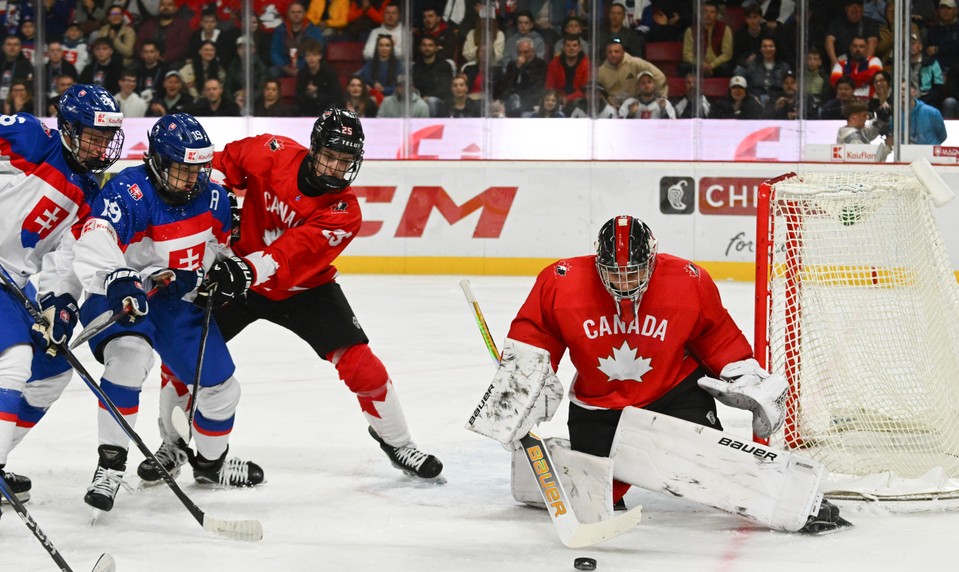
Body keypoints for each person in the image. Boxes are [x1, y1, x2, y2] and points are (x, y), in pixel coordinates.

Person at [466, 214, 847, 534]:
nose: (624, 282)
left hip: (672, 393)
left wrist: (743, 377)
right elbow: (535, 338)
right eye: (614, 273)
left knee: (711, 463)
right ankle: (563, 468)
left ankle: (799, 501)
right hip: (599, 405)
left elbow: (716, 335)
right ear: (598, 262)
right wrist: (515, 398)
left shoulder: (687, 279)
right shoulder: (560, 281)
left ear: (652, 260)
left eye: (633, 272)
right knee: (596, 497)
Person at [141, 108, 443, 484]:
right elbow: (217, 165)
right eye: (329, 156)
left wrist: (246, 269)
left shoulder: (344, 212)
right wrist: (219, 197)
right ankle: (172, 446)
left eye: (345, 160)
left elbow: (289, 254)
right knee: (181, 359)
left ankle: (399, 443)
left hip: (303, 288)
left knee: (362, 365)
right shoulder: (270, 152)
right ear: (313, 149)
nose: (335, 167)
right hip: (239, 279)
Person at [73, 113, 264, 512]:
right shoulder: (128, 191)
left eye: (198, 169)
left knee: (222, 390)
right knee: (129, 357)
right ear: (158, 162)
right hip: (120, 295)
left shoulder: (212, 196)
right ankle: (110, 466)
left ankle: (211, 465)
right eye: (181, 170)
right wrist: (122, 277)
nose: (191, 180)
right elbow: (95, 235)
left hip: (178, 303)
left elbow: (218, 252)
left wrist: (208, 275)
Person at [0, 84, 124, 505]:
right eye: (93, 135)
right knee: (12, 361)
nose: (102, 145)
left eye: (107, 138)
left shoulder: (89, 190)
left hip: (13, 280)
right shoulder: (31, 138)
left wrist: (59, 303)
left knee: (50, 371)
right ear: (69, 130)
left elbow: (65, 255)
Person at [681, 1, 733, 77]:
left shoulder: (725, 29)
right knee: (683, 67)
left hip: (716, 66)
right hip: (698, 65)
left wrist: (712, 65)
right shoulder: (691, 30)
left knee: (725, 68)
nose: (709, 15)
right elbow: (686, 54)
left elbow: (727, 54)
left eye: (712, 12)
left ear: (717, 15)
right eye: (705, 12)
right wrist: (701, 64)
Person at [295, 38, 345, 115]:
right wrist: (308, 93)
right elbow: (299, 95)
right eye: (308, 55)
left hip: (326, 106)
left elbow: (337, 96)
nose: (311, 58)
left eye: (314, 55)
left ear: (320, 56)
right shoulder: (302, 73)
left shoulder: (329, 72)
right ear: (305, 58)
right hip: (308, 107)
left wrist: (317, 95)